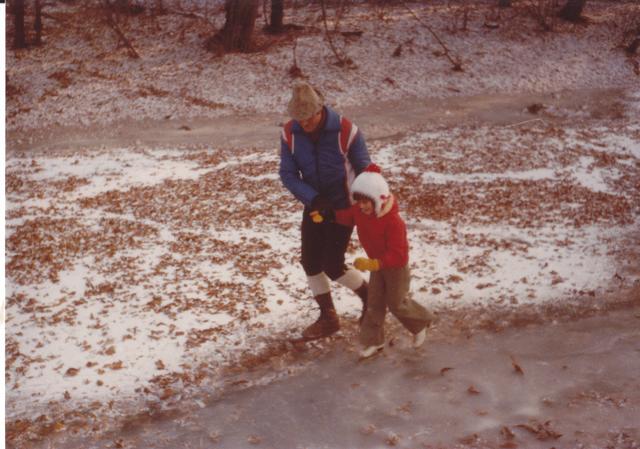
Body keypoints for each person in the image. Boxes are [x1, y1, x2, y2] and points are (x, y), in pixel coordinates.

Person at [279, 81, 372, 340]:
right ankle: (328, 317)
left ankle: (371, 299)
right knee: (310, 262)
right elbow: (287, 173)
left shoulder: (346, 130)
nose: (304, 124)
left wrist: (366, 200)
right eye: (299, 119)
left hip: (345, 205)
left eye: (309, 118)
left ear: (320, 109)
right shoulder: (290, 133)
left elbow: (364, 167)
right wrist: (313, 198)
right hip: (315, 205)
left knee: (332, 264)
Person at [331, 164, 435, 358]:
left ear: (379, 199)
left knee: (397, 303)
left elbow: (399, 254)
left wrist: (374, 264)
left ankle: (421, 323)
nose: (362, 206)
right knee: (374, 302)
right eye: (359, 201)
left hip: (396, 268)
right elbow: (346, 217)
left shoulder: (394, 222)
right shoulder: (360, 212)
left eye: (366, 202)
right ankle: (374, 341)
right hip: (377, 266)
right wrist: (326, 215)